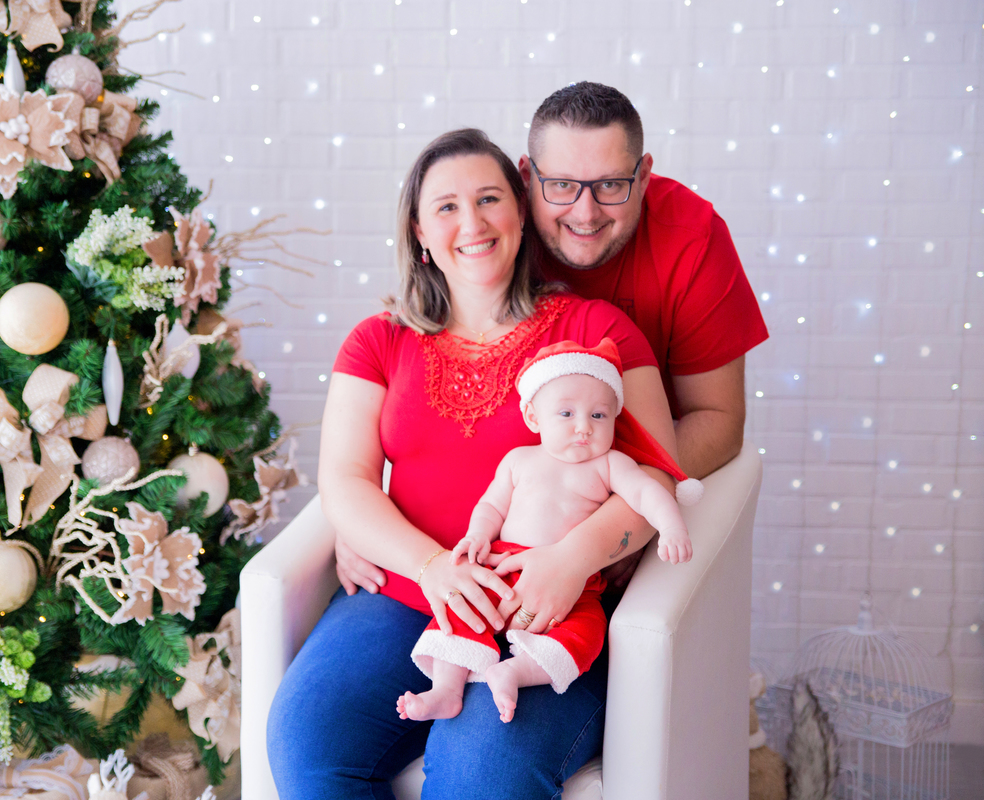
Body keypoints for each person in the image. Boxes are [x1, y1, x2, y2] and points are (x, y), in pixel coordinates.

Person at [267, 128, 680, 799]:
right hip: (409, 594)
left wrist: (573, 559)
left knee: (479, 777)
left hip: (544, 608)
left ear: (520, 214)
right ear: (419, 232)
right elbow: (344, 480)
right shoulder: (378, 340)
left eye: (490, 199)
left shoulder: (595, 330)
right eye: (447, 207)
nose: (473, 222)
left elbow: (656, 479)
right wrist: (429, 567)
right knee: (309, 744)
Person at [336, 80, 769, 600]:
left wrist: (606, 520)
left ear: (644, 175)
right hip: (427, 581)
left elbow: (715, 423)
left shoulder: (686, 244)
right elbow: (353, 474)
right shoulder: (470, 260)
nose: (585, 214)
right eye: (562, 185)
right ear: (528, 183)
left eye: (611, 185)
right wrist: (370, 532)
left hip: (573, 551)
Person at [399, 339, 701, 726]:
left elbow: (647, 493)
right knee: (461, 612)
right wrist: (477, 534)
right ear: (533, 418)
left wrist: (672, 525)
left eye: (598, 416)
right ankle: (446, 689)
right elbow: (491, 506)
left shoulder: (611, 464)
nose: (583, 428)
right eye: (566, 413)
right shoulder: (518, 461)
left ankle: (517, 672)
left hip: (575, 584)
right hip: (502, 566)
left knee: (588, 633)